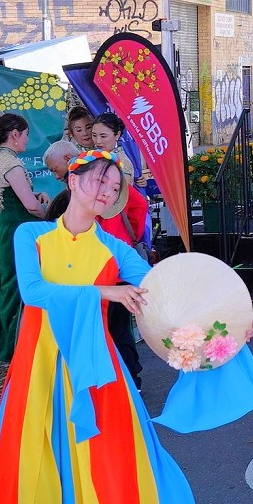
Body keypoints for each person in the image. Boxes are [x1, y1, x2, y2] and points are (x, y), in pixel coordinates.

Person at [0, 150, 243, 504]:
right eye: (100, 181)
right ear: (73, 179)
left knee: (143, 464)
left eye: (115, 187)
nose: (107, 192)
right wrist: (104, 292)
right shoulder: (32, 235)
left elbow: (164, 297)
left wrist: (226, 327)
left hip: (97, 375)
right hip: (39, 374)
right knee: (36, 473)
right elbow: (34, 292)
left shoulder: (115, 248)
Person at [0, 114, 49, 360]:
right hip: (20, 231)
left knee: (9, 284)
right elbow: (30, 205)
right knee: (18, 284)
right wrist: (47, 214)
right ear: (15, 134)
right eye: (25, 135)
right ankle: (10, 344)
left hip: (6, 230)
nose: (27, 140)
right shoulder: (12, 165)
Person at [86, 115, 148, 387]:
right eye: (94, 136)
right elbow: (138, 207)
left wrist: (130, 234)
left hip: (111, 252)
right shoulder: (96, 164)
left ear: (117, 135)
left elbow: (137, 204)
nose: (98, 141)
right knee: (114, 319)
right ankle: (124, 376)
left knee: (114, 319)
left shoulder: (118, 166)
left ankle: (126, 376)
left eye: (103, 136)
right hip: (108, 250)